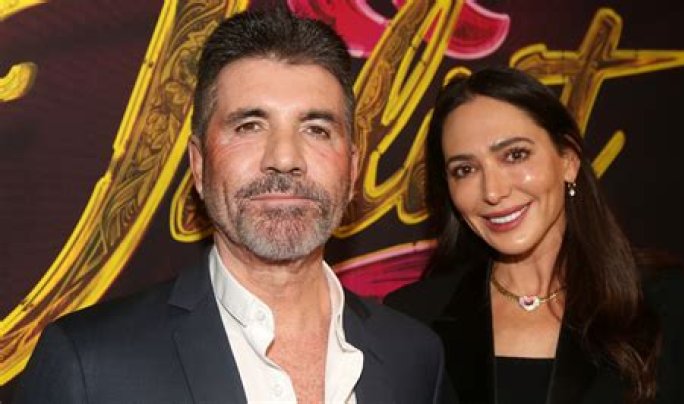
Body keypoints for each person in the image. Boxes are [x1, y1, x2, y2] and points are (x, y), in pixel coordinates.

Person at [15, 8, 450, 404]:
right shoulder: (89, 364)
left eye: (316, 129)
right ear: (199, 165)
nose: (284, 157)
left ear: (352, 168)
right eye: (249, 126)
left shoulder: (413, 355)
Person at [385, 66, 684, 403]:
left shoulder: (668, 303)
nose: (493, 191)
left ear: (568, 160)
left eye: (515, 155)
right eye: (465, 170)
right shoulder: (413, 318)